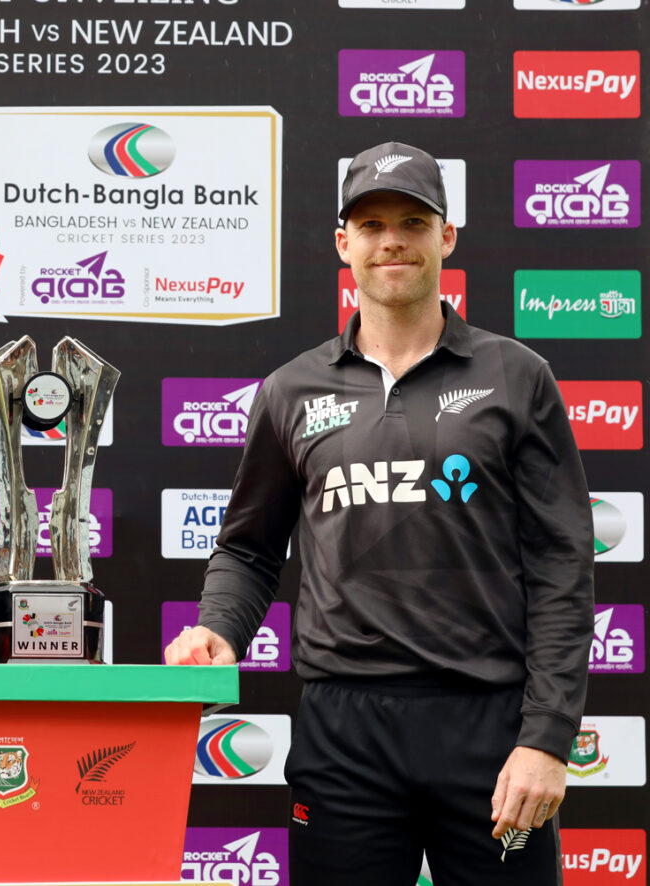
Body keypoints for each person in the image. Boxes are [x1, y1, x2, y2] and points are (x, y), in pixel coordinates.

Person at [165, 142, 593, 885]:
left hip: (489, 728)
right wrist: (219, 628)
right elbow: (248, 548)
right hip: (343, 731)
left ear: (446, 236)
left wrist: (548, 738)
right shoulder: (291, 389)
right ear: (344, 244)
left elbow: (562, 564)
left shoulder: (517, 377)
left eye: (412, 222)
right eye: (370, 225)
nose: (391, 241)